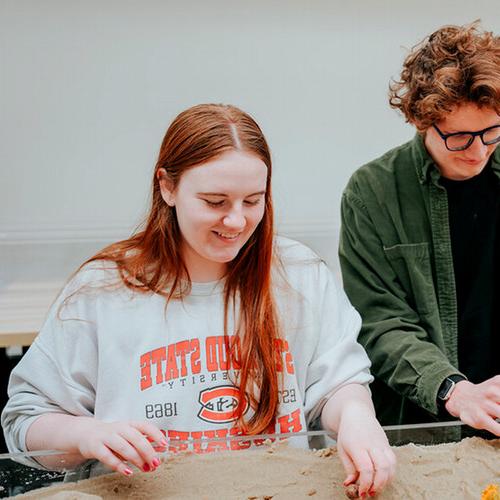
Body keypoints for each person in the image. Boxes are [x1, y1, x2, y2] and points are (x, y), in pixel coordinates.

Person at [2, 104, 395, 497]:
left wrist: (356, 415)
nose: (237, 221)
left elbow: (336, 386)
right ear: (167, 187)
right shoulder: (101, 291)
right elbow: (25, 423)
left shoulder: (300, 276)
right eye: (215, 202)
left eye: (253, 201)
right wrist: (84, 434)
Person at [339, 22, 500, 435]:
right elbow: (380, 321)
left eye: (492, 132)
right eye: (461, 138)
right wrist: (452, 389)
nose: (478, 150)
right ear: (421, 119)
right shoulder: (371, 192)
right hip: (422, 427)